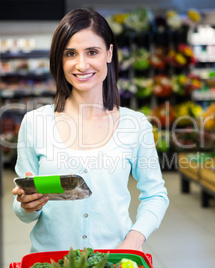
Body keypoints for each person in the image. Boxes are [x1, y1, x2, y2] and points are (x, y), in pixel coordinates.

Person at [11, 8, 169, 253]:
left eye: (92, 52)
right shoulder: (35, 123)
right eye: (70, 53)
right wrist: (28, 205)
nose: (81, 64)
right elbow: (23, 210)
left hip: (114, 259)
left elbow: (155, 194)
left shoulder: (135, 125)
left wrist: (134, 240)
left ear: (109, 53)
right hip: (50, 261)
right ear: (59, 59)